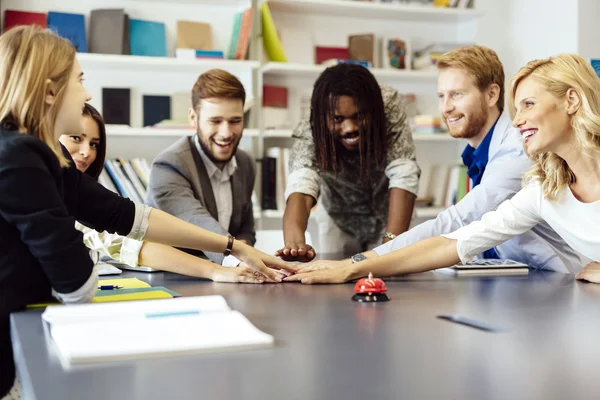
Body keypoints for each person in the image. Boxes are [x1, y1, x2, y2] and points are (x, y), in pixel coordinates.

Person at [0, 26, 295, 398]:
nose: (88, 94)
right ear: (48, 92)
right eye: (80, 80)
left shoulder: (45, 162)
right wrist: (90, 250)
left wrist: (233, 246)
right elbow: (77, 285)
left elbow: (131, 217)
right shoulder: (17, 158)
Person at [285, 53, 600, 284]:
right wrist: (353, 266)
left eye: (528, 105)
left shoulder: (515, 157)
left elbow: (457, 219)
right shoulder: (542, 190)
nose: (517, 120)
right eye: (517, 109)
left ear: (572, 100)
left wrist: (354, 264)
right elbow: (456, 240)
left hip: (561, 283)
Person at [59, 104, 265, 283]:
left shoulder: (89, 200)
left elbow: (135, 235)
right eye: (76, 138)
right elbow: (133, 245)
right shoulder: (172, 163)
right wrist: (218, 267)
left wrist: (234, 253)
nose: (87, 152)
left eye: (94, 144)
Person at [276, 63, 420, 262]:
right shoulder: (311, 129)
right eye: (337, 119)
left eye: (359, 116)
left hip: (390, 214)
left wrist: (391, 245)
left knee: (393, 280)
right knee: (334, 285)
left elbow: (404, 171)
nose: (350, 127)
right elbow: (301, 183)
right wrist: (295, 244)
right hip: (338, 218)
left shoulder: (388, 105)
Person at [146, 69, 257, 267]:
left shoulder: (245, 163)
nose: (226, 133)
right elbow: (199, 226)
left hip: (228, 276)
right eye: (215, 121)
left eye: (235, 121)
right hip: (174, 279)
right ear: (193, 118)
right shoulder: (168, 165)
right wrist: (240, 259)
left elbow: (246, 229)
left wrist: (245, 247)